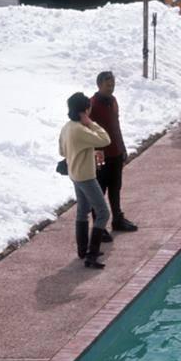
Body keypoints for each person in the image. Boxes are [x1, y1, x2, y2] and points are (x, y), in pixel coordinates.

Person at [58, 92, 112, 269]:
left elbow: (63, 151)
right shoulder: (81, 129)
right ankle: (92, 254)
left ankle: (83, 250)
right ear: (85, 110)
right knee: (103, 212)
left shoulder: (67, 127)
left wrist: (86, 150)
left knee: (82, 210)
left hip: (75, 174)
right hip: (86, 176)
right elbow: (105, 139)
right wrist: (91, 123)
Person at [89, 71, 138, 234]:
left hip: (115, 152)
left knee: (115, 188)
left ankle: (118, 219)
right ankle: (99, 226)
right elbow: (88, 131)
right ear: (99, 85)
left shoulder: (114, 101)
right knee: (100, 191)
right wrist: (95, 153)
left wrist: (122, 147)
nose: (111, 88)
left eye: (113, 85)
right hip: (101, 156)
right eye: (108, 85)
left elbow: (116, 126)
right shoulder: (92, 104)